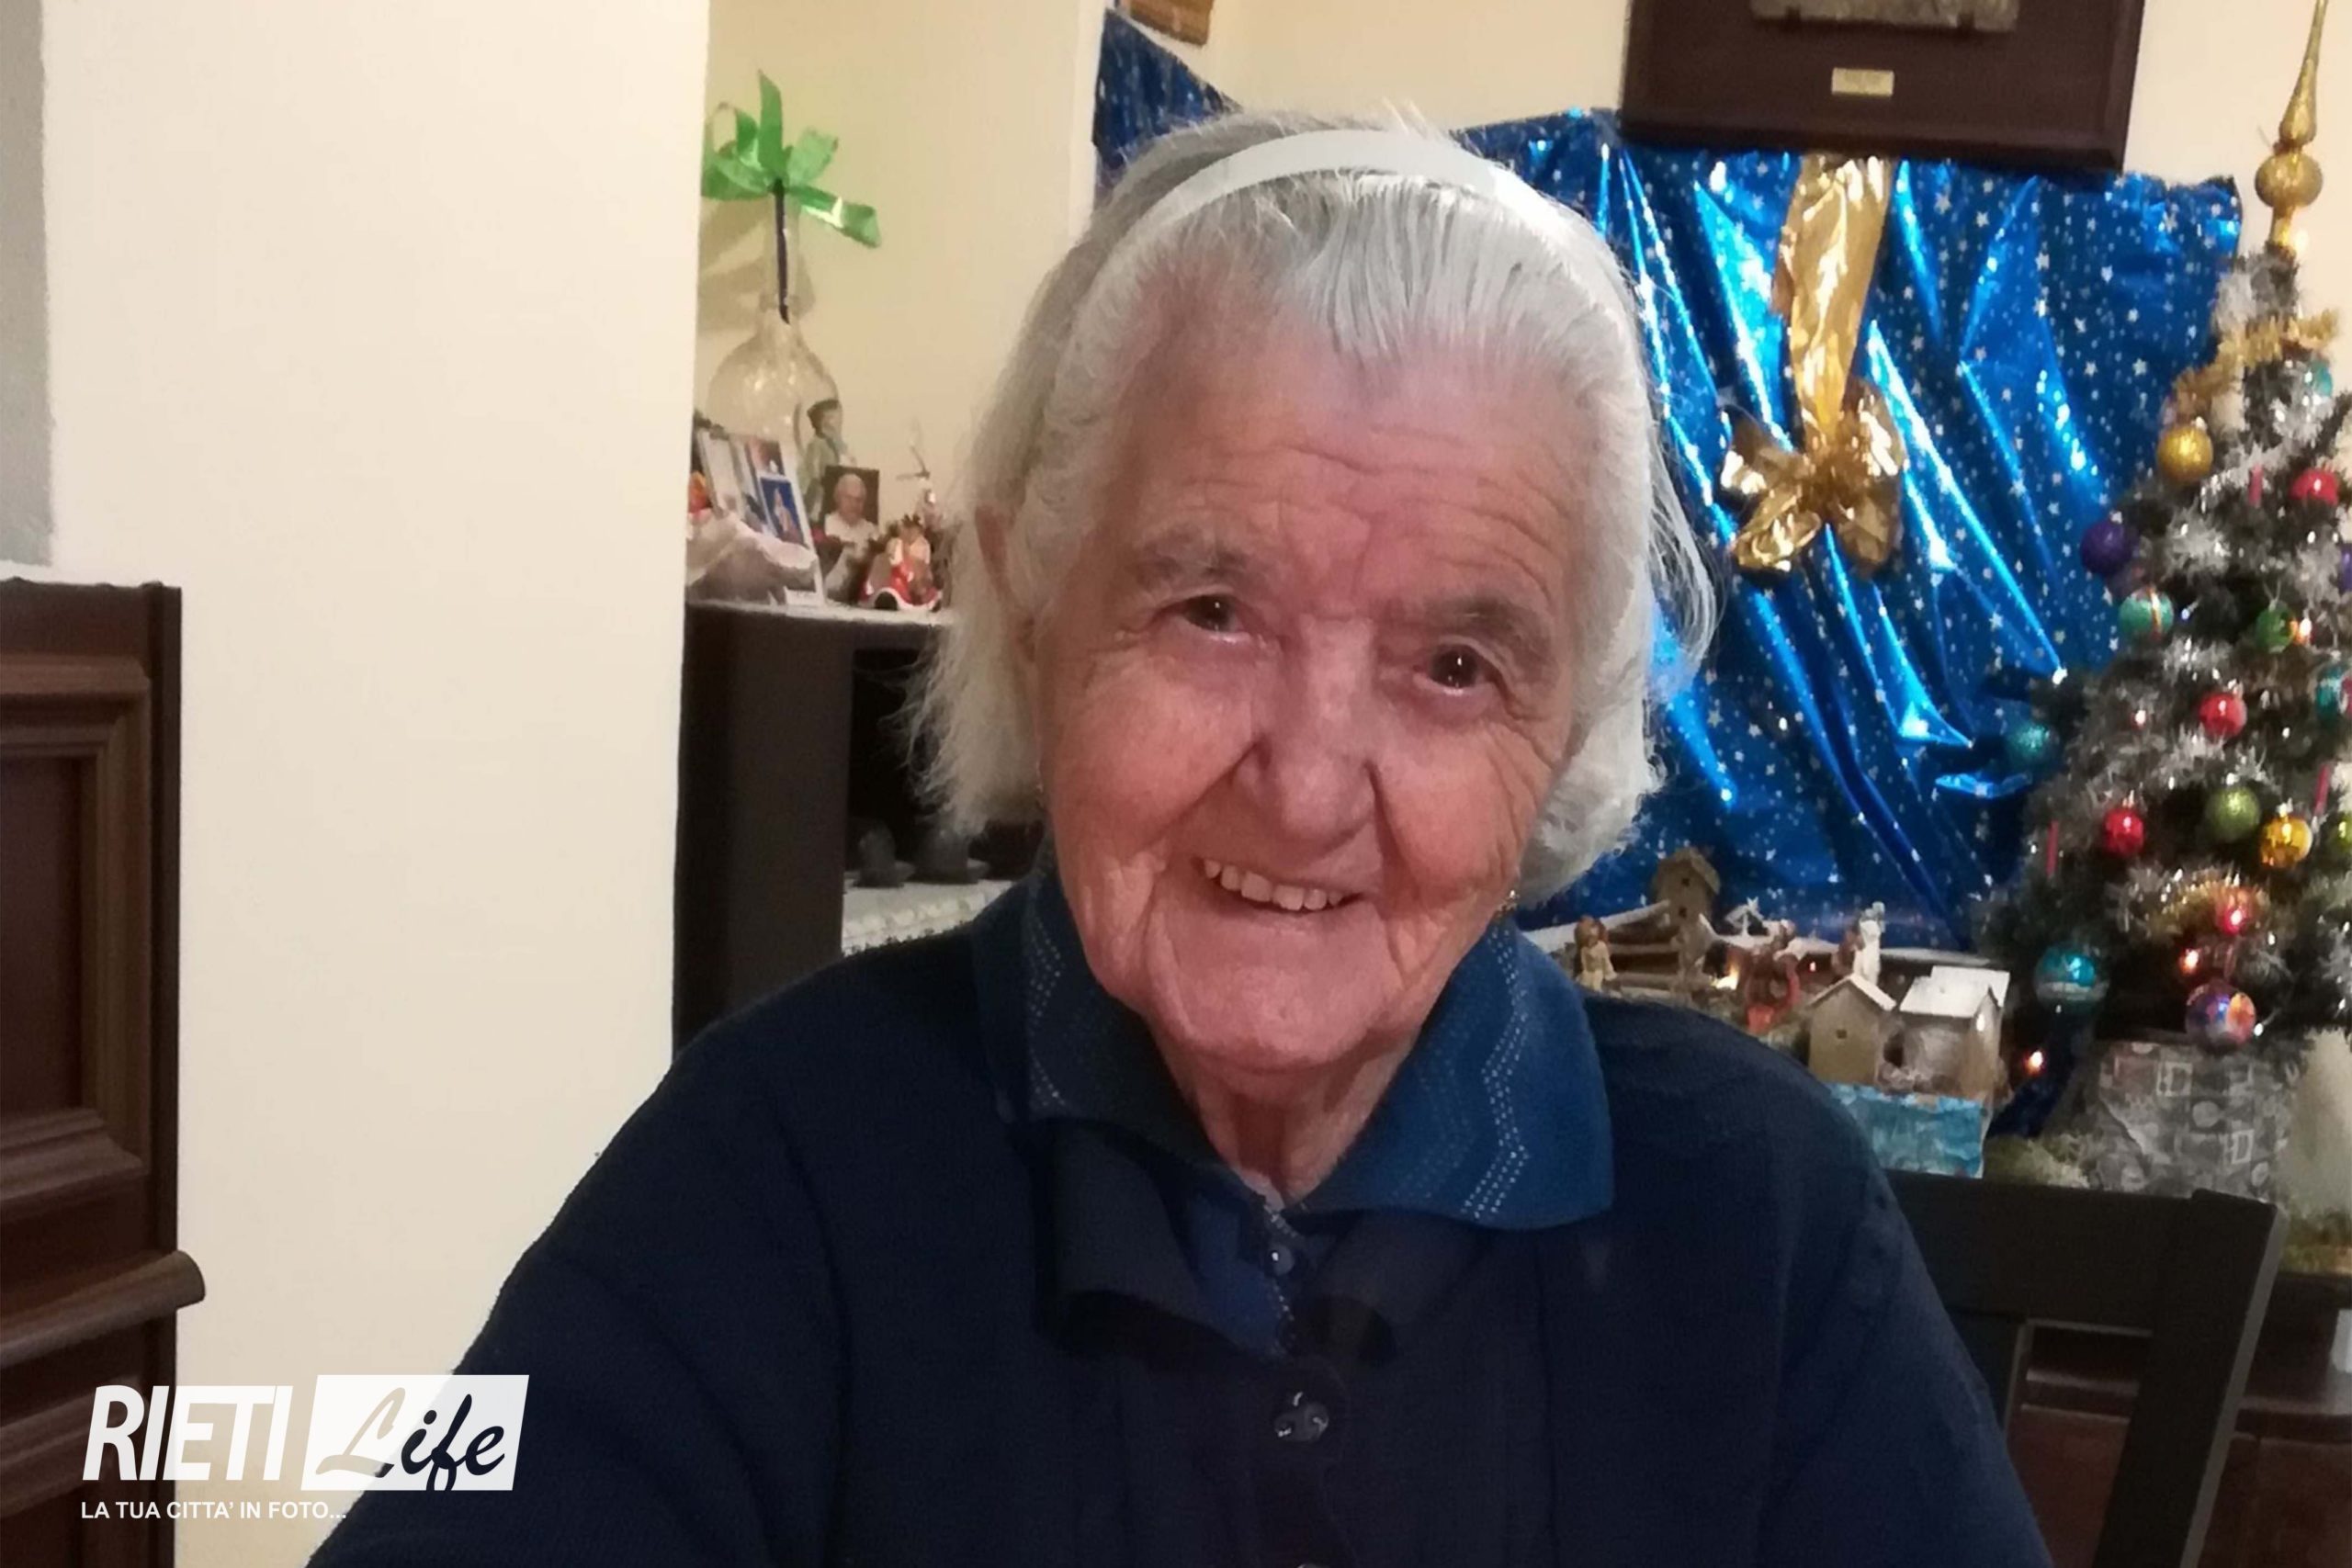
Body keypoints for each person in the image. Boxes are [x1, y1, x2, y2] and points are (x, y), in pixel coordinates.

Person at [312, 114, 2049, 1567]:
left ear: (1569, 727)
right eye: (1211, 610)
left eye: (1455, 667)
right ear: (1033, 607)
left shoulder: (1754, 1209)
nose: (1305, 788)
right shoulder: (780, 1159)